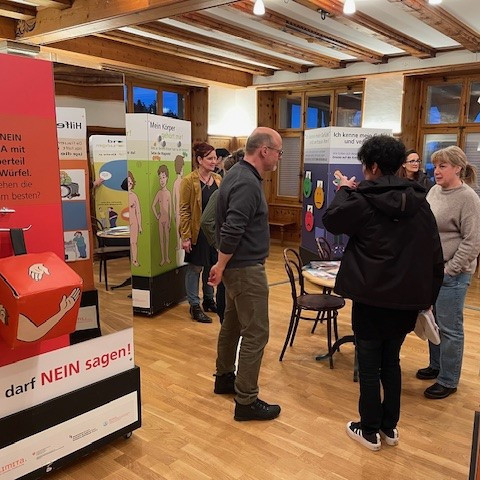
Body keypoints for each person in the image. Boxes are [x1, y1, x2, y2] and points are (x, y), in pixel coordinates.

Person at [322, 135, 444, 450]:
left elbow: (331, 220)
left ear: (373, 166)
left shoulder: (362, 200)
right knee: (391, 361)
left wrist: (344, 190)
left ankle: (369, 430)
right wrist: (427, 300)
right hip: (406, 300)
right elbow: (435, 255)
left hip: (371, 298)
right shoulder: (421, 203)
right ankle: (389, 428)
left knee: (368, 363)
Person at [209, 128, 282, 422]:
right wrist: (220, 265)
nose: (279, 157)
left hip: (237, 268)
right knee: (256, 332)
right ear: (264, 150)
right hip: (246, 270)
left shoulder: (237, 174)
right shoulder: (247, 183)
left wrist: (222, 265)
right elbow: (232, 228)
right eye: (278, 151)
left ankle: (225, 377)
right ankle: (246, 401)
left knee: (233, 323)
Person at [416, 146, 480, 399]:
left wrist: (449, 270)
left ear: (457, 168)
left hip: (453, 274)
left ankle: (448, 379)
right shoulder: (434, 191)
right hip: (432, 271)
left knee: (450, 327)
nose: (436, 171)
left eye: (442, 166)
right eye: (435, 166)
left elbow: (472, 242)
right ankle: (436, 366)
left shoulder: (468, 198)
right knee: (432, 322)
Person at [179, 142, 222, 323]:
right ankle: (194, 305)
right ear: (199, 160)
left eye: (215, 158)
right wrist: (186, 236)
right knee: (195, 268)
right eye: (210, 158)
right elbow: (184, 210)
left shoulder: (218, 179)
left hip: (213, 232)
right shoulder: (189, 181)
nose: (214, 161)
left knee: (211, 265)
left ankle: (209, 300)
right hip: (197, 232)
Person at [200, 149, 243, 323]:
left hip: (238, 255)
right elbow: (206, 221)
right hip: (228, 252)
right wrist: (218, 244)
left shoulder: (239, 193)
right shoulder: (221, 193)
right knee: (225, 294)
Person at [152, 165, 172, 265]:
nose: (162, 180)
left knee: (167, 239)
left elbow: (170, 208)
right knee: (161, 240)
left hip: (167, 219)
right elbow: (153, 205)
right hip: (160, 220)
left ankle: (167, 257)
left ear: (167, 178)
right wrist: (157, 216)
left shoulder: (168, 193)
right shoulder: (159, 193)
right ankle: (163, 258)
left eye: (163, 177)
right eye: (160, 178)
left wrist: (170, 221)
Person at [128, 171, 142, 267]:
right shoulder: (125, 196)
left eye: (131, 182)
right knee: (131, 242)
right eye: (128, 182)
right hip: (128, 222)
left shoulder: (134, 196)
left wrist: (140, 225)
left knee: (134, 242)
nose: (129, 184)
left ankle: (135, 260)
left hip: (134, 222)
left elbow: (138, 212)